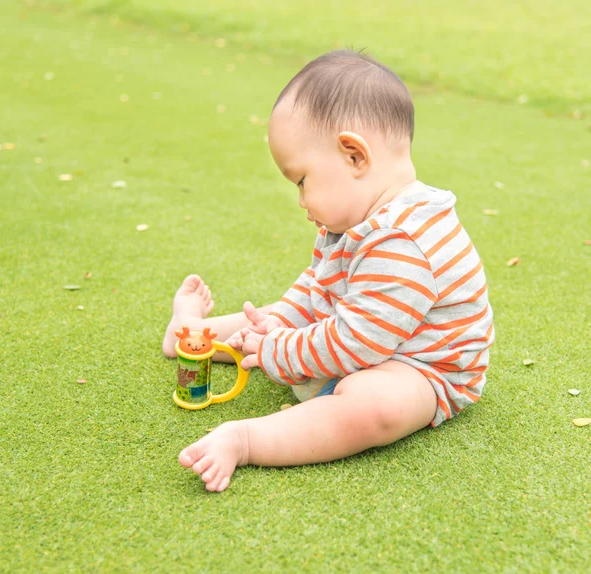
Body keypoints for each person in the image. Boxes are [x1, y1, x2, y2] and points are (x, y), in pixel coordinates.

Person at [162, 49, 495, 492]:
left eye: (301, 181)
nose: (301, 201)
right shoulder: (352, 219)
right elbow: (315, 289)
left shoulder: (404, 240)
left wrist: (280, 352)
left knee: (376, 406)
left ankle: (247, 440)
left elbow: (358, 344)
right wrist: (273, 330)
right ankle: (190, 332)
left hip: (423, 367)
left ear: (355, 156)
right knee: (276, 317)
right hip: (360, 338)